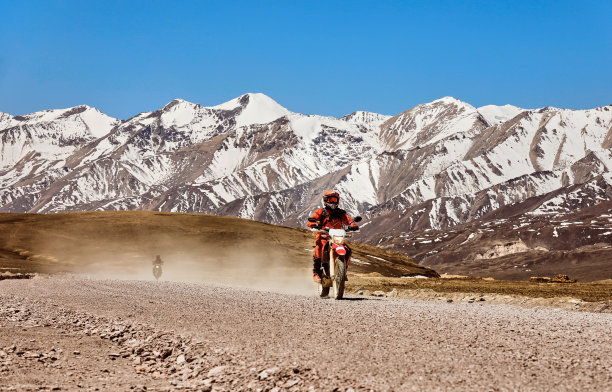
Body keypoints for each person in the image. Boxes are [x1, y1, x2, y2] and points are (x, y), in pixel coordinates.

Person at [307, 190, 359, 283]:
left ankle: (343, 271)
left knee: (348, 250)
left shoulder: (341, 213)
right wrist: (313, 224)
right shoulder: (321, 212)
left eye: (335, 200)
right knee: (319, 249)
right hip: (323, 236)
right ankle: (317, 273)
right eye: (330, 199)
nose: (333, 202)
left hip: (337, 237)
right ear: (325, 200)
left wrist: (353, 225)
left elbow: (349, 221)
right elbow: (311, 220)